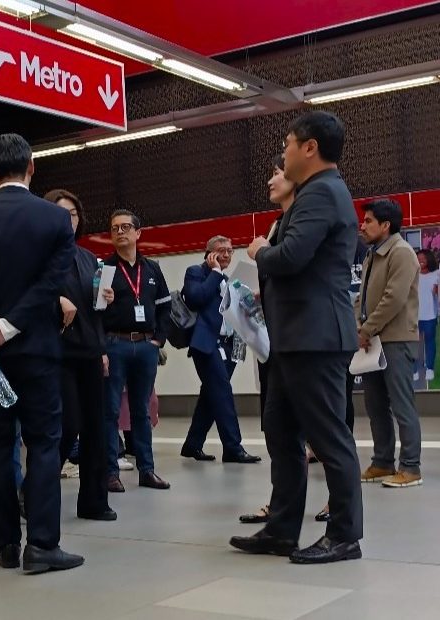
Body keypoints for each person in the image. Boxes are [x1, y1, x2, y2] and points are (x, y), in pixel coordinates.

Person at [231, 111, 363, 564]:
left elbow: (290, 257)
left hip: (316, 337)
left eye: (288, 143)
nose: (283, 153)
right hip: (295, 338)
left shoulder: (323, 193)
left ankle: (345, 535)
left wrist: (259, 251)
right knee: (281, 433)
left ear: (310, 148)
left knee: (329, 438)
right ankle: (283, 529)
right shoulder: (312, 194)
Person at [0, 133, 83, 574]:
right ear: (32, 168)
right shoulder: (54, 221)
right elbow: (50, 283)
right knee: (43, 443)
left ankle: (5, 545)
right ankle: (42, 546)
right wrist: (9, 327)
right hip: (38, 350)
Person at [43, 188, 116, 521]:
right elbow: (29, 297)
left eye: (72, 214)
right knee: (67, 423)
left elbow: (95, 311)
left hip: (89, 349)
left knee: (96, 429)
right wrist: (54, 300)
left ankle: (93, 501)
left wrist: (106, 299)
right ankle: (36, 492)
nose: (68, 220)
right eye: (60, 214)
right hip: (57, 351)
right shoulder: (38, 256)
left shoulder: (88, 257)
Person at [101, 210, 172, 493]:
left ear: (138, 233)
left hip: (145, 346)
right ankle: (110, 472)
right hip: (115, 345)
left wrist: (158, 341)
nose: (120, 232)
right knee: (111, 411)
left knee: (142, 410)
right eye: (115, 228)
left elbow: (166, 307)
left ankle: (147, 469)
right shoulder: (104, 270)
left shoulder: (152, 268)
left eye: (126, 227)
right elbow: (95, 312)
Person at [356, 198, 422, 488]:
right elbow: (363, 296)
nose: (363, 225)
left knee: (401, 405)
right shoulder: (372, 254)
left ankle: (411, 467)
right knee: (376, 405)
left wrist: (366, 329)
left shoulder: (402, 253)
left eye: (369, 220)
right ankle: (383, 462)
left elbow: (393, 299)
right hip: (373, 341)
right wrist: (359, 326)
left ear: (386, 225)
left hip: (395, 339)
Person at [180, 236, 260, 464]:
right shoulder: (196, 272)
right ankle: (233, 447)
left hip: (228, 344)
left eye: (230, 251)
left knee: (211, 394)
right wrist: (214, 272)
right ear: (209, 253)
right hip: (206, 344)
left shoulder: (228, 280)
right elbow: (195, 298)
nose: (226, 255)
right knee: (222, 392)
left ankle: (192, 444)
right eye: (221, 251)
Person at [414, 249, 439, 381]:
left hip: (430, 315)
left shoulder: (436, 274)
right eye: (418, 258)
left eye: (423, 258)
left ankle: (429, 368)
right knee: (414, 344)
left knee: (429, 343)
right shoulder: (412, 274)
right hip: (414, 316)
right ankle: (414, 370)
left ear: (429, 259)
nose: (420, 261)